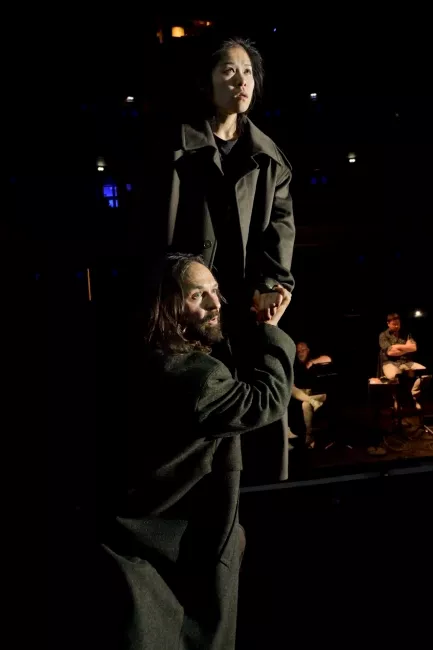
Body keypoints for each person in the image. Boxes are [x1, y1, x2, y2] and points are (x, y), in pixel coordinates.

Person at [101, 254, 295, 649]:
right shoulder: (197, 380)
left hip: (144, 546)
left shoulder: (144, 358)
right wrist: (270, 330)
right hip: (170, 555)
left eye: (214, 291)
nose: (214, 303)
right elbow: (266, 400)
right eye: (196, 296)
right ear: (166, 306)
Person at [147, 35, 295, 323]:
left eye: (248, 72)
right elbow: (150, 232)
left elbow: (279, 236)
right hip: (182, 308)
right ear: (206, 81)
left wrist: (270, 288)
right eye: (229, 71)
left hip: (244, 306)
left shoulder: (270, 160)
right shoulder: (173, 150)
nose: (242, 81)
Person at [290, 341, 332, 448]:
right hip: (302, 394)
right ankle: (306, 436)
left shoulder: (313, 360)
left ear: (308, 350)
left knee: (305, 403)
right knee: (299, 398)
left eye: (303, 350)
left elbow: (328, 358)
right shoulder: (295, 365)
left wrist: (313, 362)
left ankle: (309, 437)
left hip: (318, 394)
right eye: (298, 351)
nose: (300, 352)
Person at [379, 313, 427, 405]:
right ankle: (395, 399)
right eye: (394, 324)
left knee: (424, 372)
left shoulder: (406, 334)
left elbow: (414, 348)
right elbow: (390, 352)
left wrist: (396, 347)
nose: (397, 326)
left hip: (405, 361)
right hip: (390, 362)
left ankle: (414, 393)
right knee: (393, 377)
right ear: (388, 323)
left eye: (398, 324)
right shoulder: (383, 335)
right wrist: (406, 348)